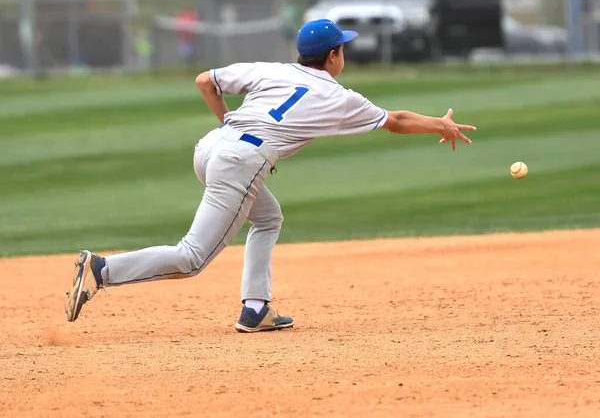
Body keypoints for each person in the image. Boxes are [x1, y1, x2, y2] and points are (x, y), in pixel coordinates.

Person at [65, 19, 476, 333]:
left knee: (267, 218)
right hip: (240, 161)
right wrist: (440, 124)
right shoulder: (339, 97)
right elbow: (398, 120)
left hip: (211, 147)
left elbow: (205, 80)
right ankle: (102, 270)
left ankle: (256, 308)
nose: (343, 54)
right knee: (191, 257)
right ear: (333, 57)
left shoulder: (273, 70)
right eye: (342, 49)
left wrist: (228, 123)